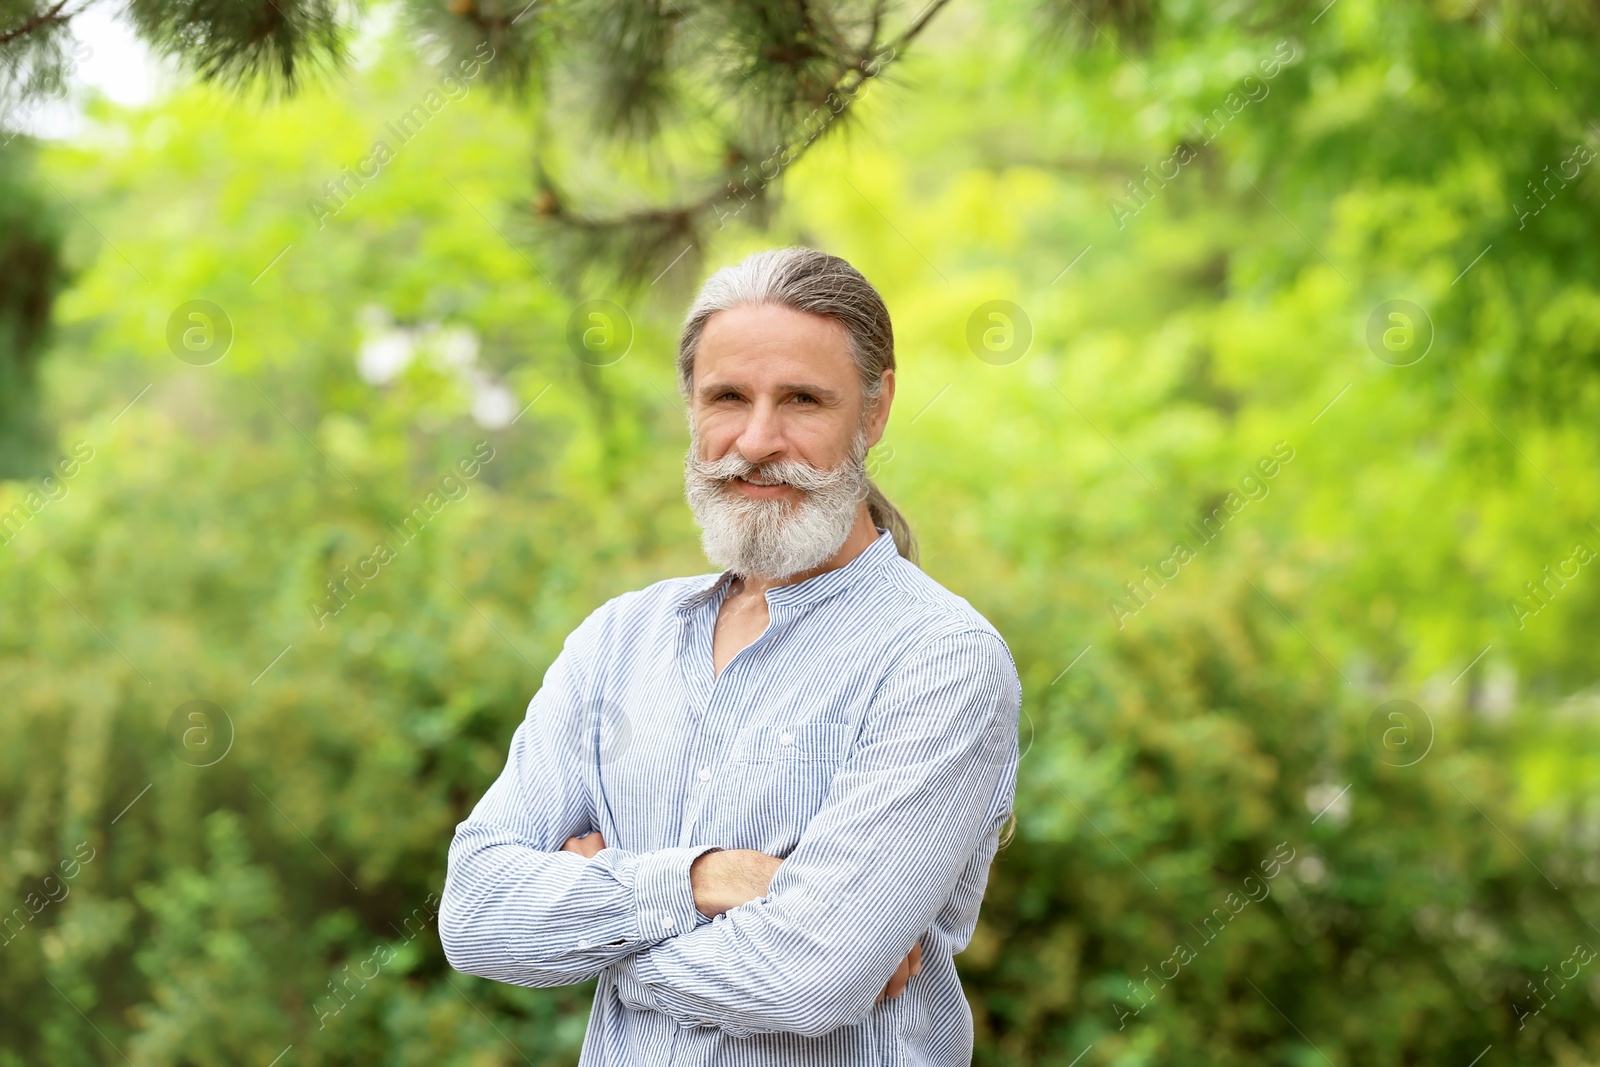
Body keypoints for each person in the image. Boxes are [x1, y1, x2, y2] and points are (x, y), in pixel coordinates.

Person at [440, 246, 1023, 1065]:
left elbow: (806, 978)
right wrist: (701, 880)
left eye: (802, 400)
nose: (755, 439)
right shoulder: (618, 639)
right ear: (690, 405)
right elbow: (473, 913)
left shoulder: (941, 661)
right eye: (727, 398)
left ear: (875, 408)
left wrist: (598, 925)